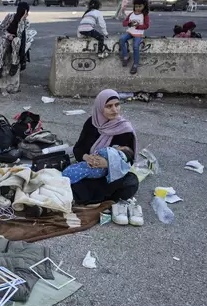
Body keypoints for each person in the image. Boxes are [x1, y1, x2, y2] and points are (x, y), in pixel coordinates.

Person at [71, 89, 141, 224]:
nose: (115, 110)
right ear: (99, 107)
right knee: (74, 177)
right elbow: (78, 148)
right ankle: (96, 198)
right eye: (109, 106)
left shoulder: (124, 128)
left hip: (111, 175)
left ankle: (85, 198)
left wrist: (108, 163)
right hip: (89, 170)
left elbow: (129, 160)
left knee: (131, 182)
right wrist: (87, 158)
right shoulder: (92, 123)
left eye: (117, 105)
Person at [0, 2, 30, 79]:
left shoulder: (26, 22)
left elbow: (19, 35)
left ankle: (14, 64)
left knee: (17, 40)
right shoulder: (10, 16)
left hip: (16, 42)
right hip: (6, 38)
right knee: (2, 43)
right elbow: (1, 29)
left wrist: (21, 21)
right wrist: (8, 35)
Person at [62, 145, 134, 184]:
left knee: (79, 168)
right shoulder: (120, 166)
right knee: (83, 173)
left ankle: (65, 176)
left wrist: (96, 155)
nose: (118, 146)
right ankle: (69, 179)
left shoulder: (111, 152)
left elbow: (101, 151)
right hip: (99, 173)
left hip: (91, 166)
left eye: (121, 146)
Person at [120, 0, 150, 75]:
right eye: (136, 6)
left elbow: (146, 26)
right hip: (130, 32)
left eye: (140, 6)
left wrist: (138, 26)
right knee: (122, 39)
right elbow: (124, 23)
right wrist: (129, 23)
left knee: (135, 46)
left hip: (138, 34)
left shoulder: (145, 15)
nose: (138, 8)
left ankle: (135, 64)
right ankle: (126, 56)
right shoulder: (131, 14)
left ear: (144, 6)